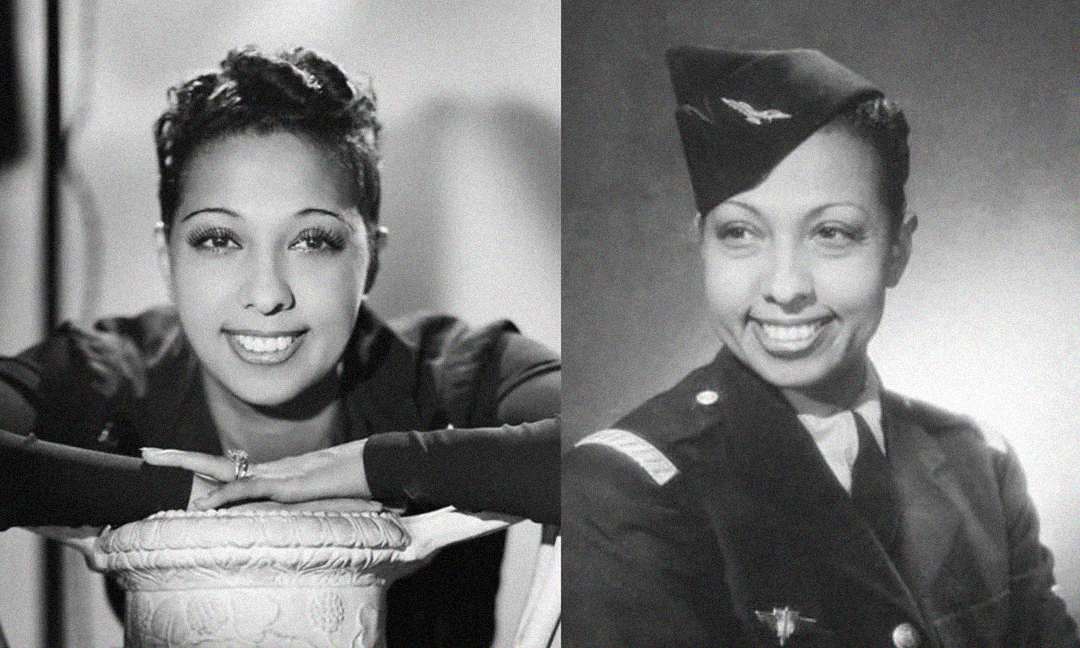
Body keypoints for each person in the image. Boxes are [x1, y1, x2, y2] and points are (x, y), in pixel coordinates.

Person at [0, 46, 559, 648]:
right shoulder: (108, 372)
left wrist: (370, 466)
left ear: (371, 258)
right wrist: (183, 495)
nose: (267, 295)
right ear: (168, 258)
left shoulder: (456, 375)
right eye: (218, 239)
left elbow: (599, 443)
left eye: (312, 240)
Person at [562, 46, 1078, 648]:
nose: (784, 288)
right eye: (740, 234)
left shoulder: (978, 466)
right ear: (701, 244)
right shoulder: (626, 488)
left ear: (896, 250)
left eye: (832, 234)